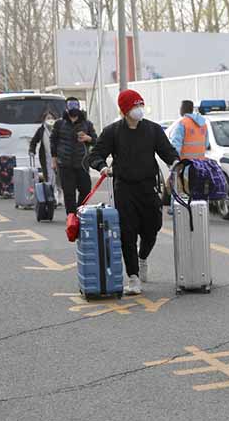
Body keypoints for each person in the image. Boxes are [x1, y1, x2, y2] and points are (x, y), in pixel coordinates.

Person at [88, 89, 180, 296]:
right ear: (124, 110)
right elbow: (95, 154)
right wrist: (102, 166)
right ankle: (133, 277)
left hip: (148, 187)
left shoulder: (153, 130)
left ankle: (143, 257)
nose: (139, 110)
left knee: (153, 227)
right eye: (134, 106)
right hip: (124, 188)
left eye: (141, 105)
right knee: (127, 233)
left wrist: (175, 163)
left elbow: (168, 151)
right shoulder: (112, 131)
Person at [50, 97, 97, 214]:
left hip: (82, 163)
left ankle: (80, 212)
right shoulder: (59, 124)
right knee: (69, 192)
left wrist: (88, 138)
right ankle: (71, 216)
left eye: (76, 105)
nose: (74, 109)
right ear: (66, 108)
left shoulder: (87, 124)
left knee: (86, 190)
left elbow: (96, 140)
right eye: (71, 106)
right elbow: (53, 142)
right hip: (65, 164)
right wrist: (54, 160)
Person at [29, 110, 63, 205]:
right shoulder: (41, 130)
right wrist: (32, 150)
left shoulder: (59, 129)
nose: (50, 120)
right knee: (49, 177)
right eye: (48, 118)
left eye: (52, 118)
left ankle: (60, 196)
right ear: (44, 120)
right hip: (46, 158)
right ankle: (52, 197)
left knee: (59, 177)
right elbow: (34, 141)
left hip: (59, 157)